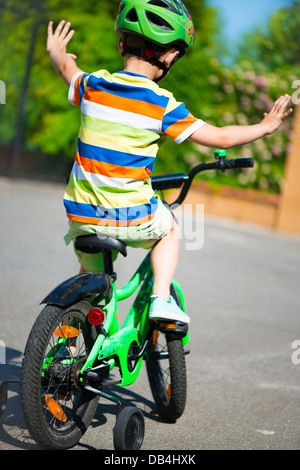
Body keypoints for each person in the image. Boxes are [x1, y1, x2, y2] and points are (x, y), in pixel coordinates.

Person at [47, 0, 292, 325]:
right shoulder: (161, 104)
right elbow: (220, 138)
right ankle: (161, 298)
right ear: (170, 57)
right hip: (129, 217)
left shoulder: (93, 86)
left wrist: (56, 51)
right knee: (172, 230)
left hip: (81, 214)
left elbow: (67, 69)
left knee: (90, 280)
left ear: (122, 44)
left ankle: (68, 348)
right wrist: (265, 126)